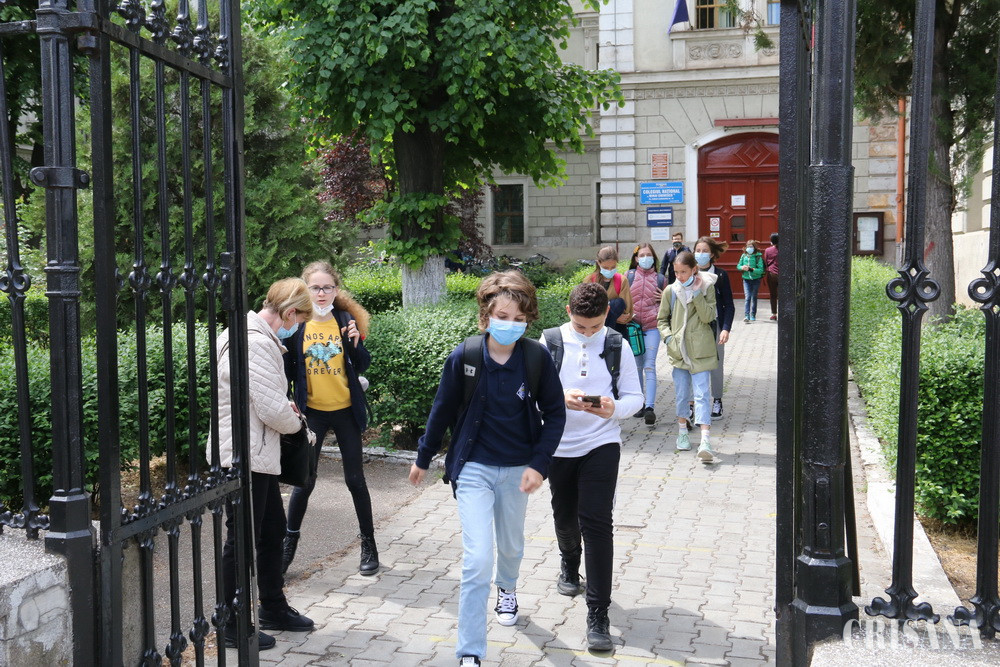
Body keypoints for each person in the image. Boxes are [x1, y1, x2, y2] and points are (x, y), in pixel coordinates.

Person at [409, 271, 567, 667]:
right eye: (502, 316)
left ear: (528, 320)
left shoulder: (535, 358)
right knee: (478, 559)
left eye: (519, 319)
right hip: (473, 469)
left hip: (518, 470)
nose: (510, 325)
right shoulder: (465, 356)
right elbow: (442, 408)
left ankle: (508, 589)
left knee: (510, 546)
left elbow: (555, 414)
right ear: (486, 316)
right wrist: (423, 458)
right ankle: (470, 651)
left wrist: (539, 465)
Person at [211, 278, 316, 650]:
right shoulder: (255, 342)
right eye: (298, 320)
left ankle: (272, 606)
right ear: (289, 312)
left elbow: (263, 397)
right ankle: (231, 623)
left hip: (256, 452)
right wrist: (300, 425)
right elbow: (272, 409)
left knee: (271, 531)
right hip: (245, 455)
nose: (296, 328)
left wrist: (284, 408)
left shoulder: (251, 335)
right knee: (241, 539)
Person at [542, 283, 643, 651]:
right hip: (558, 445)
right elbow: (530, 397)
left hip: (602, 442)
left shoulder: (617, 344)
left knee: (597, 523)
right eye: (581, 326)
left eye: (596, 326)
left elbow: (635, 397)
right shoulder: (549, 342)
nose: (588, 333)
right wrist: (559, 397)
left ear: (606, 316)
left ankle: (598, 614)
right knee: (564, 515)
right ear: (568, 311)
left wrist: (614, 408)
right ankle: (570, 561)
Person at [282, 261, 377, 576]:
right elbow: (287, 371)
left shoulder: (345, 321)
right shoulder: (297, 326)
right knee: (304, 481)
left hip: (345, 410)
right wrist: (287, 401)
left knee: (355, 480)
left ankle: (369, 545)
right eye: (315, 288)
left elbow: (362, 364)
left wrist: (355, 342)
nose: (321, 293)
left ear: (336, 290)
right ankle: (288, 546)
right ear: (305, 290)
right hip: (312, 414)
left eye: (327, 287)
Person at [657, 252, 719, 462]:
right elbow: (661, 320)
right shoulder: (670, 290)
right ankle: (682, 432)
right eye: (676, 272)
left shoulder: (707, 287)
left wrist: (697, 293)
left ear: (694, 269)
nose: (679, 276)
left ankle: (705, 440)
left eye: (683, 271)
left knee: (702, 395)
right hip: (679, 351)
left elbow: (708, 316)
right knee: (682, 394)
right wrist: (669, 339)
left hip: (701, 350)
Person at [694, 237, 735, 419]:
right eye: (698, 250)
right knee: (695, 364)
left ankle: (717, 400)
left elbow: (729, 305)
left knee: (716, 365)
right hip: (695, 327)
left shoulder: (721, 275)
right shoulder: (690, 273)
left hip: (715, 325)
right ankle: (694, 403)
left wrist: (725, 328)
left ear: (711, 254)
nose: (700, 254)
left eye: (704, 251)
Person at [626, 243, 666, 424]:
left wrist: (664, 297)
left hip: (652, 327)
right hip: (633, 329)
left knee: (649, 365)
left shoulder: (660, 279)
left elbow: (668, 303)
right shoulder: (629, 276)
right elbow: (622, 299)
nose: (645, 258)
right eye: (642, 255)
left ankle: (649, 407)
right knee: (637, 367)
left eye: (648, 255)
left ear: (654, 258)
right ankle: (639, 404)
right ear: (636, 259)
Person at [584, 246, 633, 337]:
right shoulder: (590, 281)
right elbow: (587, 308)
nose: (610, 270)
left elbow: (627, 313)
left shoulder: (621, 280)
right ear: (599, 263)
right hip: (594, 329)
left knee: (618, 303)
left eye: (613, 267)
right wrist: (613, 317)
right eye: (606, 268)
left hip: (618, 329)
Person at [737, 239, 765, 323]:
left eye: (751, 247)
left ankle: (753, 314)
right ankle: (746, 315)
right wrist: (742, 267)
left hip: (756, 280)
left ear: (754, 248)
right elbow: (738, 266)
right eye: (748, 246)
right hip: (746, 280)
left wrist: (751, 269)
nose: (749, 248)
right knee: (747, 297)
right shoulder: (743, 256)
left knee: (754, 297)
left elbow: (761, 270)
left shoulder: (758, 257)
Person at [764, 233, 779, 320]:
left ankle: (774, 314)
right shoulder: (785, 249)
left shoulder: (768, 250)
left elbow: (766, 262)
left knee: (773, 295)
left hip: (771, 274)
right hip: (783, 274)